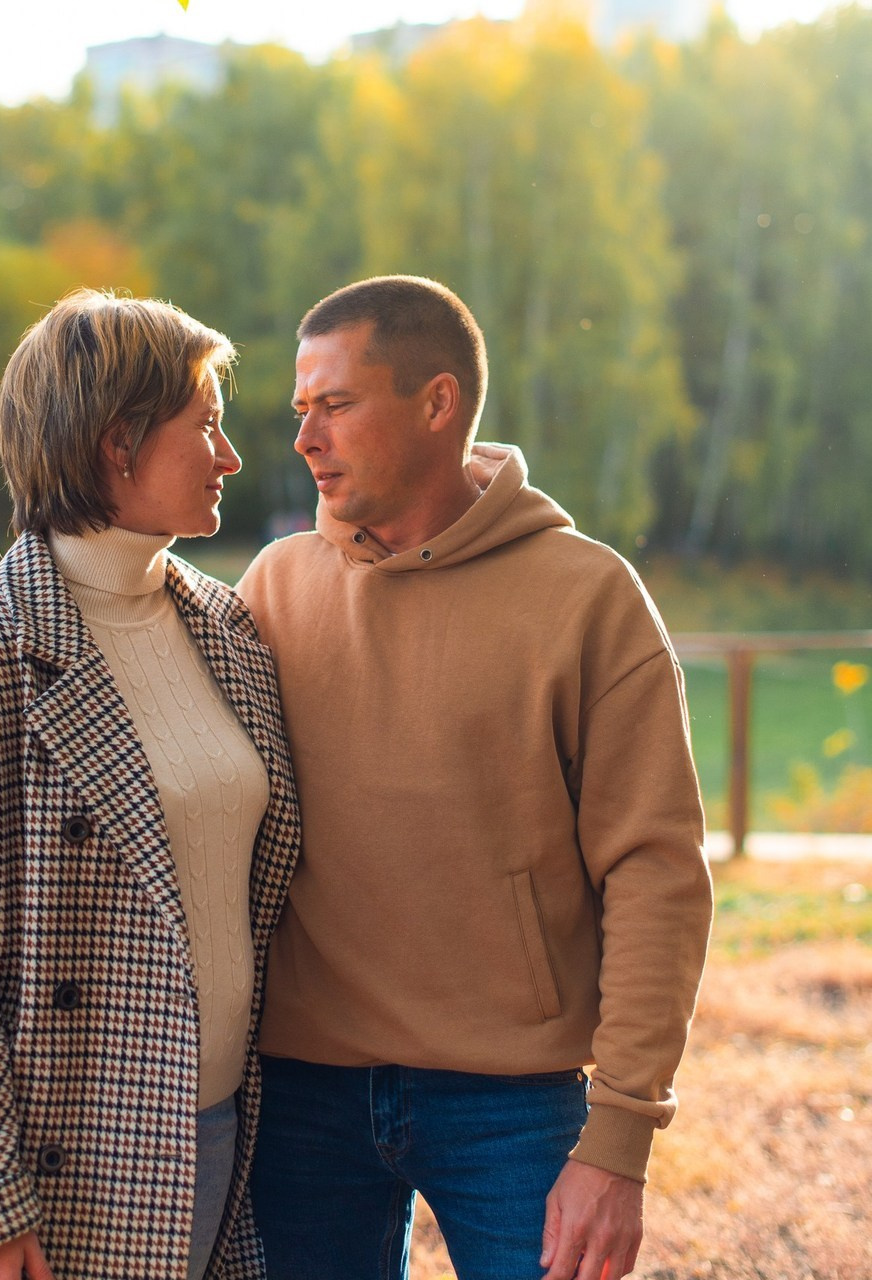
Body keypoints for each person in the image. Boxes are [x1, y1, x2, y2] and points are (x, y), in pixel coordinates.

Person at [236, 275, 714, 1280]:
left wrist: (619, 1135)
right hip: (302, 1092)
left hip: (512, 1095)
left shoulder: (585, 597)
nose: (304, 437)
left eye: (334, 403)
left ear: (436, 403)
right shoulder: (273, 589)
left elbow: (655, 871)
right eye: (298, 410)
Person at [0, 289, 300, 1280]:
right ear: (118, 445)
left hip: (232, 1143)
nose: (228, 456)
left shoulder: (230, 634)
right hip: (62, 1177)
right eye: (206, 426)